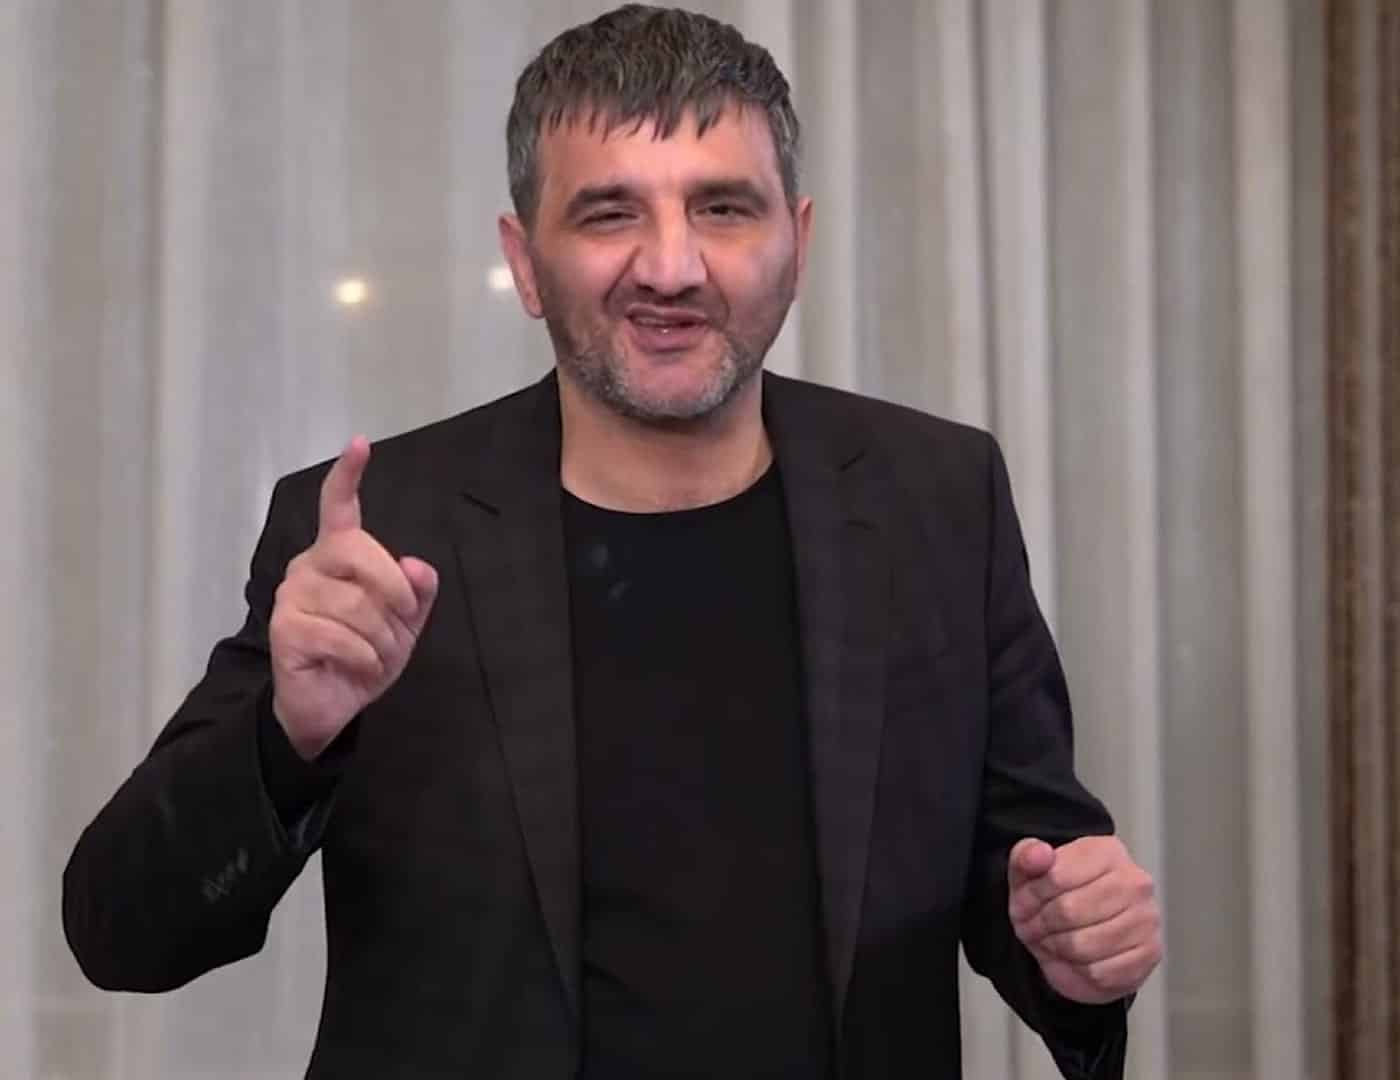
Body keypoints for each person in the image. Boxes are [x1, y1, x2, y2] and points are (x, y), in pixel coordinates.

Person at [62, 5, 1162, 1077]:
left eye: (722, 208)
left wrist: (1080, 949)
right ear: (525, 262)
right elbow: (123, 934)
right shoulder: (378, 531)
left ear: (798, 242)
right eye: (608, 214)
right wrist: (284, 739)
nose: (671, 267)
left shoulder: (938, 499)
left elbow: (1033, 877)